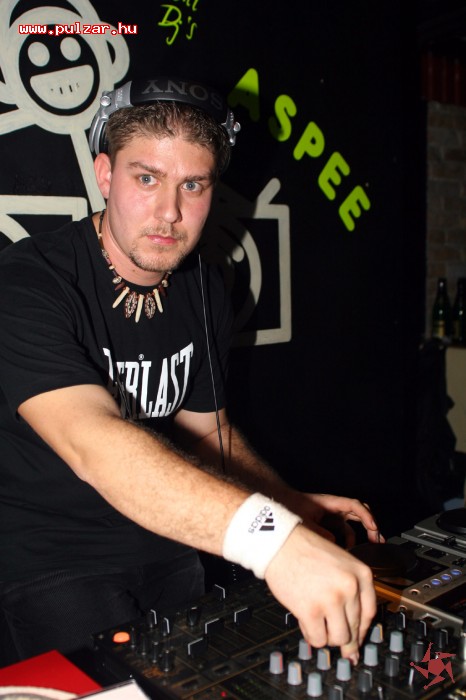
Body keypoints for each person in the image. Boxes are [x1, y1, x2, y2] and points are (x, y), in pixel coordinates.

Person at [0, 77, 382, 668]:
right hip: (55, 559)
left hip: (170, 540)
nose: (169, 211)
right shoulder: (30, 281)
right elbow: (92, 443)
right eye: (146, 178)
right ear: (105, 175)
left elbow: (210, 432)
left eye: (193, 185)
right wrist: (274, 539)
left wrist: (287, 502)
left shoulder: (202, 287)